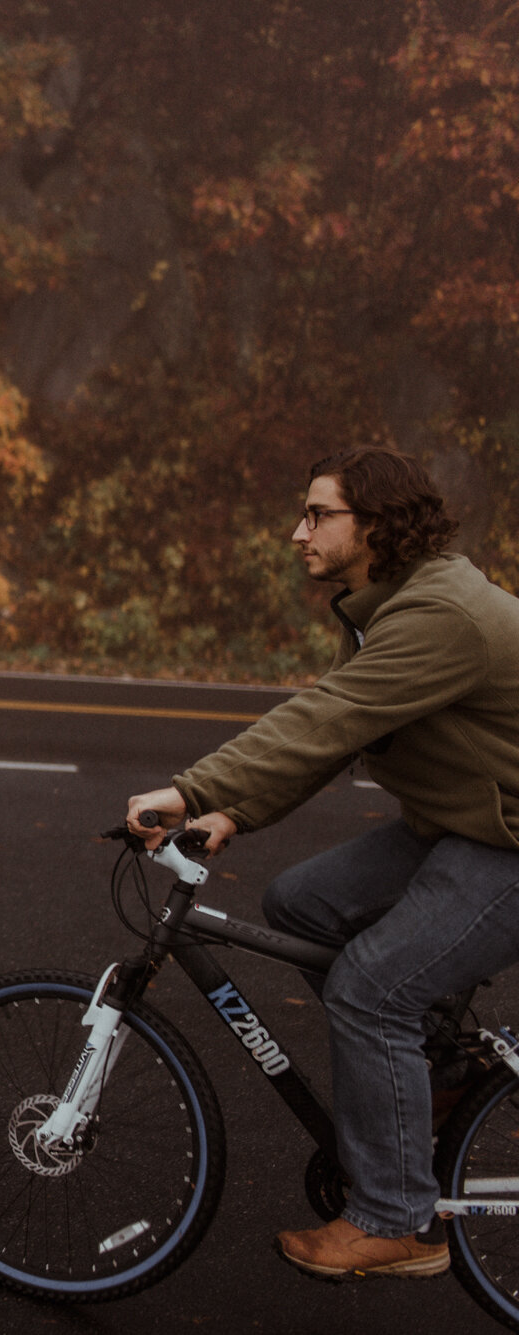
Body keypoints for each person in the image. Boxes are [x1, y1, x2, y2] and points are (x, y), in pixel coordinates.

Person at [123, 446, 519, 1281]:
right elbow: (340, 731)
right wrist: (232, 809)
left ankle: (398, 1220)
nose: (296, 531)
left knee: (372, 988)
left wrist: (193, 790)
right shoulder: (390, 604)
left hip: (507, 839)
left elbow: (327, 717)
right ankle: (441, 1072)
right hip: (467, 821)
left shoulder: (439, 614)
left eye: (317, 514)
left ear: (373, 524)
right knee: (304, 902)